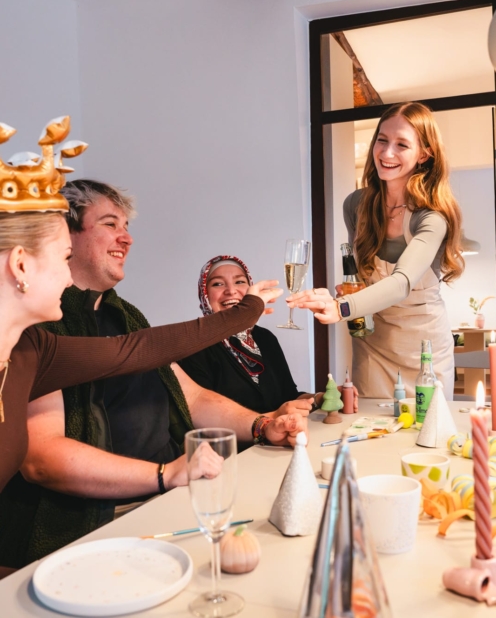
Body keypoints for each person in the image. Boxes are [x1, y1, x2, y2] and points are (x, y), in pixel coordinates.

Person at [0, 180, 306, 572]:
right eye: (110, 224)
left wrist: (262, 425)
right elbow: (43, 459)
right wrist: (165, 475)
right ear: (22, 264)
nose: (127, 238)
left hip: (170, 494)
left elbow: (183, 390)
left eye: (127, 226)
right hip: (105, 516)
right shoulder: (40, 332)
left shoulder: (118, 317)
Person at [288, 102, 464, 399]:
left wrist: (341, 307)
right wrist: (350, 291)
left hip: (423, 350)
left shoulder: (431, 219)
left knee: (425, 425)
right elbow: (355, 271)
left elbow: (401, 283)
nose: (387, 153)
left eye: (402, 145)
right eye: (382, 140)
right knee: (367, 424)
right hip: (373, 345)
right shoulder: (356, 205)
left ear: (424, 154)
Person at [180, 255, 358, 412]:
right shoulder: (194, 346)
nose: (231, 291)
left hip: (280, 436)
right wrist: (270, 422)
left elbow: (289, 398)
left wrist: (323, 398)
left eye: (239, 282)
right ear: (204, 294)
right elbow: (203, 418)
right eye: (218, 284)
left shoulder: (264, 338)